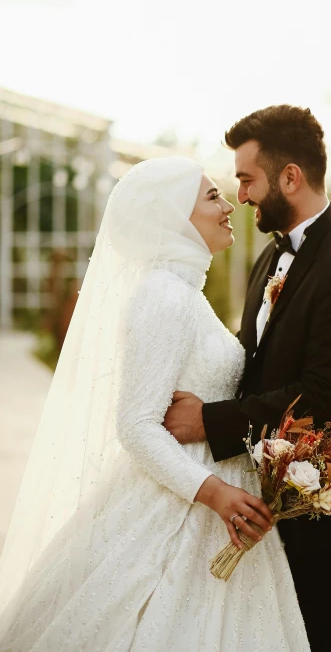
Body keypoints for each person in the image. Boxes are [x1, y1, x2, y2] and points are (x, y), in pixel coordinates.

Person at [0, 156, 310, 652]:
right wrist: (216, 495)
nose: (228, 203)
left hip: (214, 490)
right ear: (172, 216)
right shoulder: (164, 296)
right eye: (211, 196)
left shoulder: (184, 292)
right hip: (186, 502)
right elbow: (137, 425)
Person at [164, 105, 331, 652]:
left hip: (322, 497)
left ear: (291, 176)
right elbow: (256, 361)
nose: (239, 195)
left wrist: (208, 422)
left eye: (247, 179)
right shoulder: (270, 257)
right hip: (269, 488)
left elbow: (320, 394)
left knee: (313, 637)